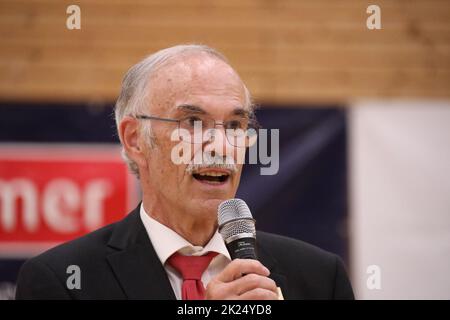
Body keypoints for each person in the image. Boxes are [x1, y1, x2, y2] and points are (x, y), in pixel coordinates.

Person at [15, 45, 354, 300]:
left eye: (235, 125)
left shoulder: (320, 278)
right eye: (193, 123)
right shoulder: (61, 281)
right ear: (135, 139)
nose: (220, 145)